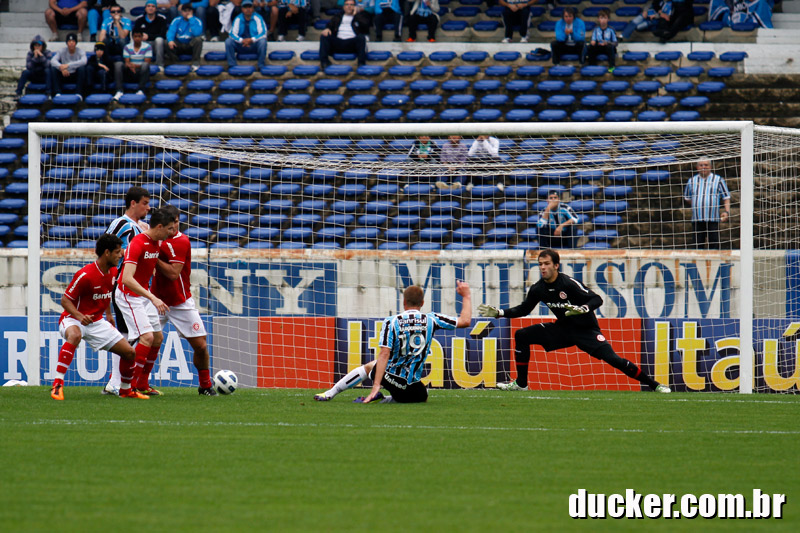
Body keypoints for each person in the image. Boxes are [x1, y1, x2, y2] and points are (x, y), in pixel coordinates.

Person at [479, 249, 671, 393]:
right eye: (540, 264)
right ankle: (521, 384)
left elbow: (597, 299)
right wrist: (500, 312)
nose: (543, 267)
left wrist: (583, 309)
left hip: (586, 331)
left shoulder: (568, 284)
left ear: (556, 265)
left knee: (614, 360)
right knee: (522, 335)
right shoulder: (538, 288)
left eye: (546, 263)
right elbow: (524, 309)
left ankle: (655, 385)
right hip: (562, 329)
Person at [314, 282, 472, 403]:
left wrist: (376, 385)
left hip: (393, 380)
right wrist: (466, 296)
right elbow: (465, 321)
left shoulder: (392, 321)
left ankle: (331, 393)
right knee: (423, 395)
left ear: (404, 302)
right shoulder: (432, 319)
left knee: (371, 366)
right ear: (422, 303)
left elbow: (384, 353)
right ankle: (384, 399)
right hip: (413, 390)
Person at [52, 234, 148, 401]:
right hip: (73, 318)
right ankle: (57, 384)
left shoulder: (113, 272)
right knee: (75, 335)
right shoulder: (86, 275)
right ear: (107, 253)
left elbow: (106, 293)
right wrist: (80, 316)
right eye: (117, 252)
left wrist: (109, 314)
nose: (121, 255)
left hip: (96, 322)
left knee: (129, 353)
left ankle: (126, 390)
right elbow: (65, 300)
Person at [151, 207, 217, 395]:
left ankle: (205, 385)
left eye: (177, 222)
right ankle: (132, 383)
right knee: (144, 341)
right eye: (171, 223)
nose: (174, 227)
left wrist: (153, 257)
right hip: (155, 300)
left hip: (180, 302)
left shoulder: (181, 241)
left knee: (201, 345)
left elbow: (173, 273)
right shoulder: (153, 238)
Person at [115, 207, 177, 396]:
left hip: (142, 294)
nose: (172, 232)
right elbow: (126, 279)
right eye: (169, 228)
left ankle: (142, 383)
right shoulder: (137, 243)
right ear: (159, 227)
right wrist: (153, 297)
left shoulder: (156, 241)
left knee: (157, 338)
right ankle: (129, 387)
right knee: (147, 337)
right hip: (128, 295)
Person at [103, 186, 151, 396]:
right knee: (127, 334)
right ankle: (116, 382)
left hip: (138, 287)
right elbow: (104, 249)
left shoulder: (143, 227)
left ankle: (120, 382)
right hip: (122, 285)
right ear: (133, 203)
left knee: (130, 334)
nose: (148, 208)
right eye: (145, 203)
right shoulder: (121, 224)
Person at [684, 158, 731, 249]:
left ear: (710, 167)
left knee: (714, 246)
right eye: (701, 165)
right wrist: (698, 205)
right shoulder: (691, 181)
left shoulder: (718, 179)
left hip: (713, 219)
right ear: (697, 167)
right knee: (697, 246)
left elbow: (726, 197)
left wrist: (727, 211)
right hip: (697, 219)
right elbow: (687, 198)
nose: (703, 167)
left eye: (706, 165)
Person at [319, 0, 369, 68]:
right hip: (338, 42)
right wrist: (327, 28)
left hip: (352, 43)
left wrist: (356, 15)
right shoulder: (338, 16)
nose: (349, 6)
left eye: (351, 5)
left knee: (361, 38)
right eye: (347, 4)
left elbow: (365, 26)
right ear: (344, 7)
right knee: (324, 36)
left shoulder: (360, 16)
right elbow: (329, 25)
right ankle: (324, 63)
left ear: (355, 7)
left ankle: (361, 64)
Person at [225, 0, 268, 70]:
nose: (248, 9)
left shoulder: (258, 18)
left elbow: (263, 33)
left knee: (263, 41)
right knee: (228, 41)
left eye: (250, 7)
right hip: (241, 45)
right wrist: (242, 40)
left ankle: (261, 66)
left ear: (253, 8)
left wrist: (251, 40)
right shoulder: (238, 18)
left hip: (254, 45)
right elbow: (232, 34)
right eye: (245, 7)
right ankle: (232, 65)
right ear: (242, 9)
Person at [113, 29, 152, 100]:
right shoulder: (127, 47)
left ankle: (141, 90)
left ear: (142, 37)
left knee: (145, 65)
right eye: (135, 36)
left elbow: (147, 62)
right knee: (118, 64)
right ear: (132, 37)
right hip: (130, 71)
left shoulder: (147, 47)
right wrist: (131, 66)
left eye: (139, 36)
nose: (137, 38)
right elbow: (127, 62)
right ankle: (119, 91)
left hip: (141, 72)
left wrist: (135, 66)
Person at [166, 2, 204, 70]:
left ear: (192, 12)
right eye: (185, 11)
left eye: (189, 11)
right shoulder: (176, 20)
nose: (187, 13)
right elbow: (171, 31)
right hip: (179, 45)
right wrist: (170, 40)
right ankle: (175, 62)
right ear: (181, 12)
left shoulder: (197, 21)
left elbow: (197, 34)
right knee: (166, 42)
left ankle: (195, 63)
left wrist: (191, 20)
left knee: (198, 40)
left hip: (190, 45)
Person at [15, 35, 54, 100]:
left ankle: (49, 93)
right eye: (35, 45)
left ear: (43, 46)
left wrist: (41, 56)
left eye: (39, 45)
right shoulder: (30, 53)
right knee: (25, 72)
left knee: (48, 71)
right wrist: (35, 58)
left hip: (44, 76)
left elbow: (48, 65)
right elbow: (28, 66)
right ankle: (18, 93)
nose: (37, 47)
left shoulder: (47, 52)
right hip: (34, 75)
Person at [50, 33, 87, 98]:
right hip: (64, 74)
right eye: (69, 41)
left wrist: (68, 65)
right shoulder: (61, 51)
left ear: (76, 43)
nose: (71, 43)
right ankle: (57, 93)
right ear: (67, 43)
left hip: (75, 74)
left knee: (82, 69)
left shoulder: (81, 51)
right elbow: (53, 61)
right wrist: (61, 67)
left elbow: (84, 61)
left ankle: (79, 93)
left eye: (73, 41)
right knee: (53, 69)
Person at [134, 0, 168, 70]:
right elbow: (135, 33)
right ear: (145, 8)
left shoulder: (162, 19)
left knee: (159, 40)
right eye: (148, 6)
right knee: (137, 39)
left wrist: (149, 36)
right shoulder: (139, 19)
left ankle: (160, 65)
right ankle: (138, 64)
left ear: (156, 9)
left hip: (157, 45)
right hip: (144, 43)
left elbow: (163, 35)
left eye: (153, 6)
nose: (150, 8)